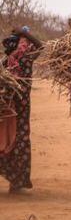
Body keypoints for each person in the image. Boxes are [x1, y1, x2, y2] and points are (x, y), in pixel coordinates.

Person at [0, 26, 42, 194]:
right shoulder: (25, 58)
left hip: (8, 109)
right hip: (18, 109)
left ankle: (16, 182)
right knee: (19, 143)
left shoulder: (7, 61)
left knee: (7, 141)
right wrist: (26, 34)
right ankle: (16, 183)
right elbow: (40, 46)